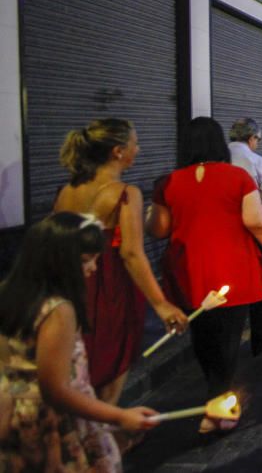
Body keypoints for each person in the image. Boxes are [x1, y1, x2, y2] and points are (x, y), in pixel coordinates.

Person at [147, 118, 262, 433]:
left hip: (188, 272)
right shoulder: (237, 178)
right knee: (227, 340)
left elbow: (158, 229)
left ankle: (216, 401)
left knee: (203, 338)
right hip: (232, 268)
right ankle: (216, 407)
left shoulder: (168, 182)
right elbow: (256, 222)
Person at [0, 212, 160, 469]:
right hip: (51, 423)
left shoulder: (9, 294)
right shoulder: (58, 310)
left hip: (13, 417)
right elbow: (57, 390)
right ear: (58, 261)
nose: (93, 269)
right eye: (86, 261)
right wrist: (119, 415)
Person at [53, 118, 186, 404]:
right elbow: (131, 253)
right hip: (112, 286)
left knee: (80, 357)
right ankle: (104, 433)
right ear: (118, 151)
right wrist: (161, 304)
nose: (137, 150)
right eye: (134, 144)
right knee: (114, 357)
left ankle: (88, 428)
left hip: (72, 284)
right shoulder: (126, 194)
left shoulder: (67, 191)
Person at [228, 117, 262, 356]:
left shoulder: (218, 158)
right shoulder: (256, 161)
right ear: (252, 138)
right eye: (258, 140)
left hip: (223, 233)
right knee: (259, 285)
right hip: (253, 232)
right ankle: (261, 340)